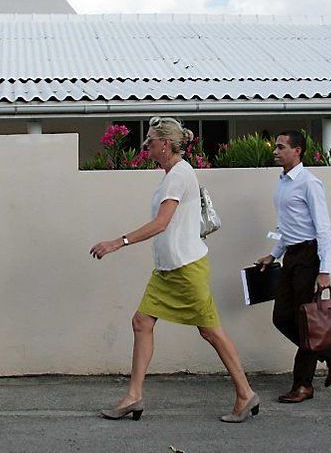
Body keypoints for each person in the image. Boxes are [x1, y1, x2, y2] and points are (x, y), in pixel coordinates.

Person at [90, 117, 259, 423]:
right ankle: (134, 397)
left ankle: (245, 394)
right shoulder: (172, 175)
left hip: (186, 268)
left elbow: (161, 223)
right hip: (168, 269)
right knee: (142, 322)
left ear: (165, 144)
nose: (146, 145)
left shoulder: (179, 175)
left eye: (151, 140)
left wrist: (118, 242)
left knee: (211, 332)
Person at [255, 130, 331, 404]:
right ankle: (330, 352)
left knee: (306, 322)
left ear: (298, 150)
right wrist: (273, 255)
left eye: (281, 147)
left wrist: (325, 270)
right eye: (276, 147)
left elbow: (324, 229)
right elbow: (287, 226)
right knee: (282, 317)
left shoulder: (309, 183)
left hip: (309, 257)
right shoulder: (282, 182)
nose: (275, 151)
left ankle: (303, 384)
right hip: (291, 257)